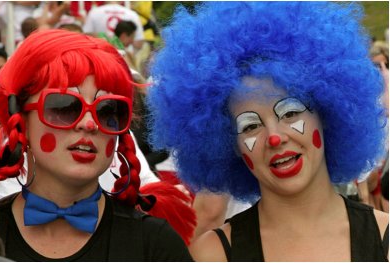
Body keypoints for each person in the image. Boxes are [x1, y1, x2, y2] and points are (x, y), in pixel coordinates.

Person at [147, 2, 389, 261]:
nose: (275, 137)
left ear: (327, 114)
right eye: (250, 126)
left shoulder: (384, 238)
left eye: (290, 113)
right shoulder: (212, 255)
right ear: (230, 145)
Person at [0, 29, 194, 261]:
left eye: (107, 110)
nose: (89, 124)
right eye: (64, 106)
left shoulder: (155, 244)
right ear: (21, 121)